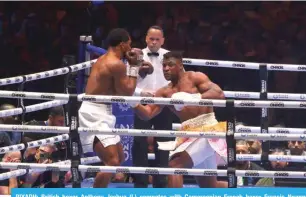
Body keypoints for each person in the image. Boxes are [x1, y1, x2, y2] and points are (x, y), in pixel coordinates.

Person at [131, 51, 227, 188]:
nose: (166, 69)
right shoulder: (164, 92)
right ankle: (242, 196)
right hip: (188, 134)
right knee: (210, 187)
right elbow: (147, 113)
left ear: (180, 65)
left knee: (174, 167)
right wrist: (133, 102)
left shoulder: (195, 77)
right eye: (163, 66)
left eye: (170, 65)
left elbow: (219, 94)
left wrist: (194, 98)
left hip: (208, 131)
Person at [78, 28, 153, 188]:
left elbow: (117, 88)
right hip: (94, 113)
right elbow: (127, 91)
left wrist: (136, 70)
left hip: (102, 110)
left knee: (119, 158)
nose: (131, 48)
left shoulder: (107, 59)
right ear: (122, 44)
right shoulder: (115, 64)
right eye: (129, 44)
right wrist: (134, 66)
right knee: (112, 162)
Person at [132, 25, 179, 188]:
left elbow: (179, 79)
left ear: (163, 40)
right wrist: (140, 92)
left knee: (164, 142)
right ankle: (140, 182)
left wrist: (167, 94)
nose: (153, 42)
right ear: (146, 38)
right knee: (139, 141)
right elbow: (127, 82)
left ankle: (161, 182)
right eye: (151, 39)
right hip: (141, 102)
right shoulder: (135, 56)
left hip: (163, 103)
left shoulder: (170, 57)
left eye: (157, 39)